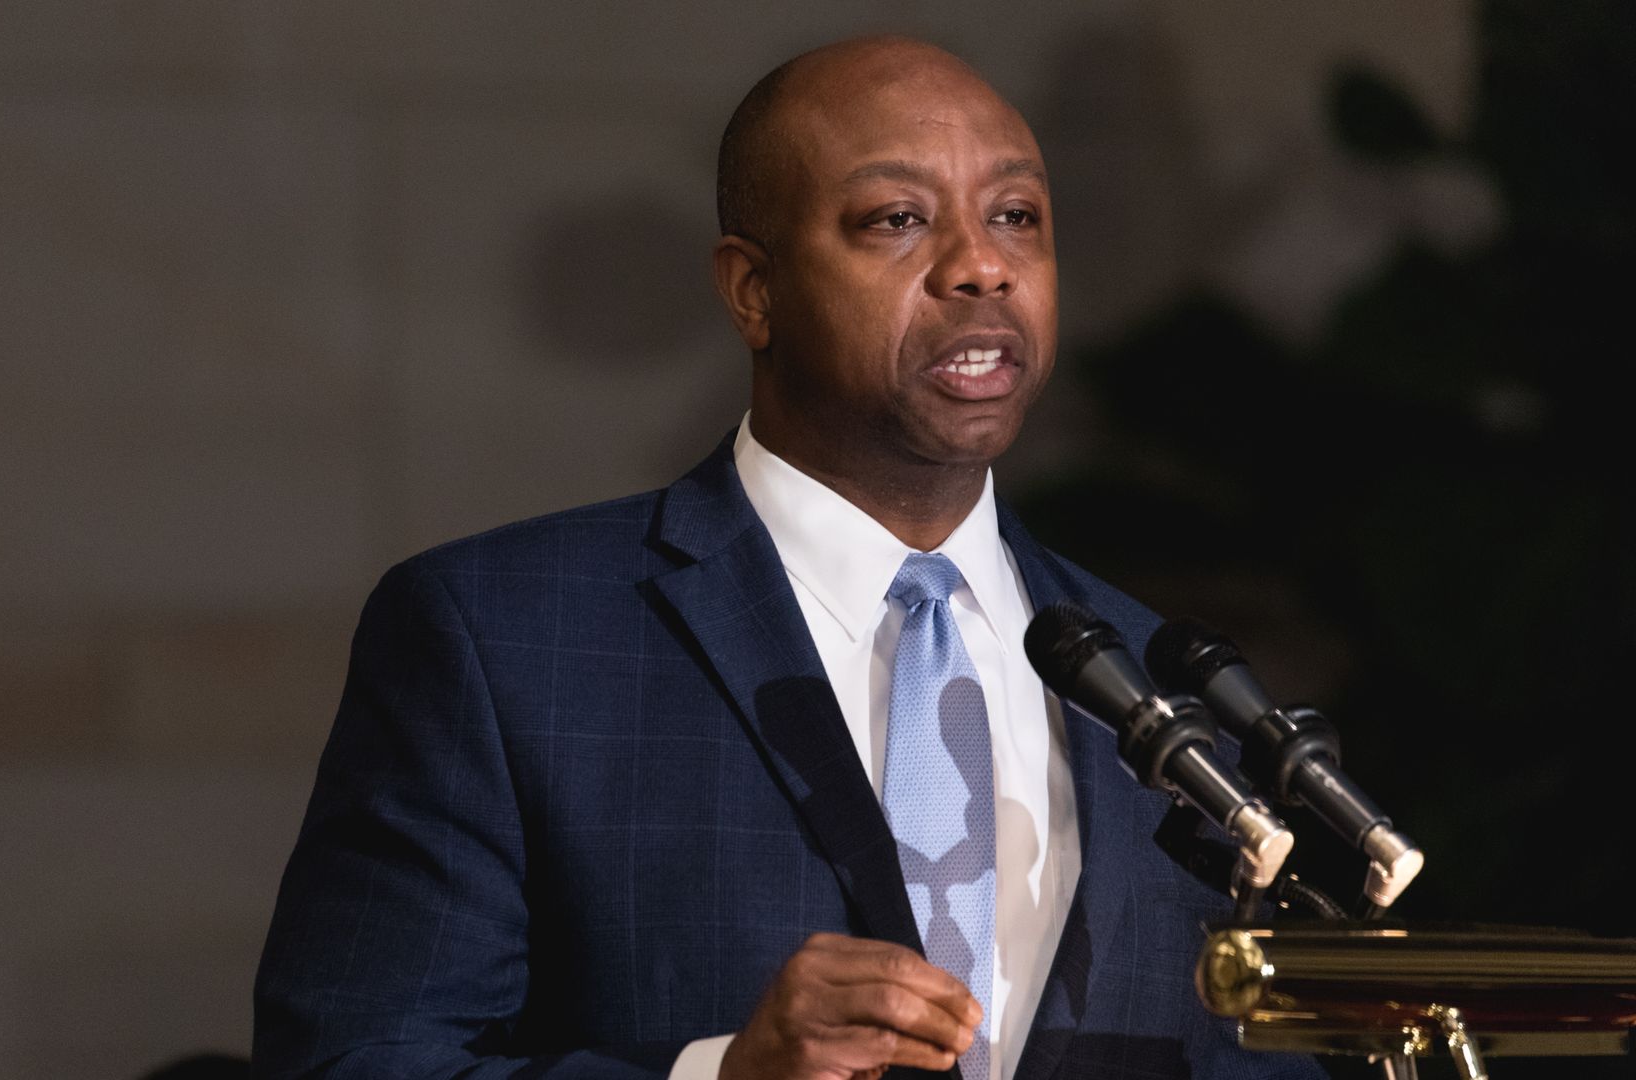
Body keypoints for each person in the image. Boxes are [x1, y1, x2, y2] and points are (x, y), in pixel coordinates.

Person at [253, 35, 1324, 1080]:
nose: (981, 267)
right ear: (752, 291)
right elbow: (353, 1056)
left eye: (1016, 217)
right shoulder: (499, 636)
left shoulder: (1162, 692)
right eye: (899, 219)